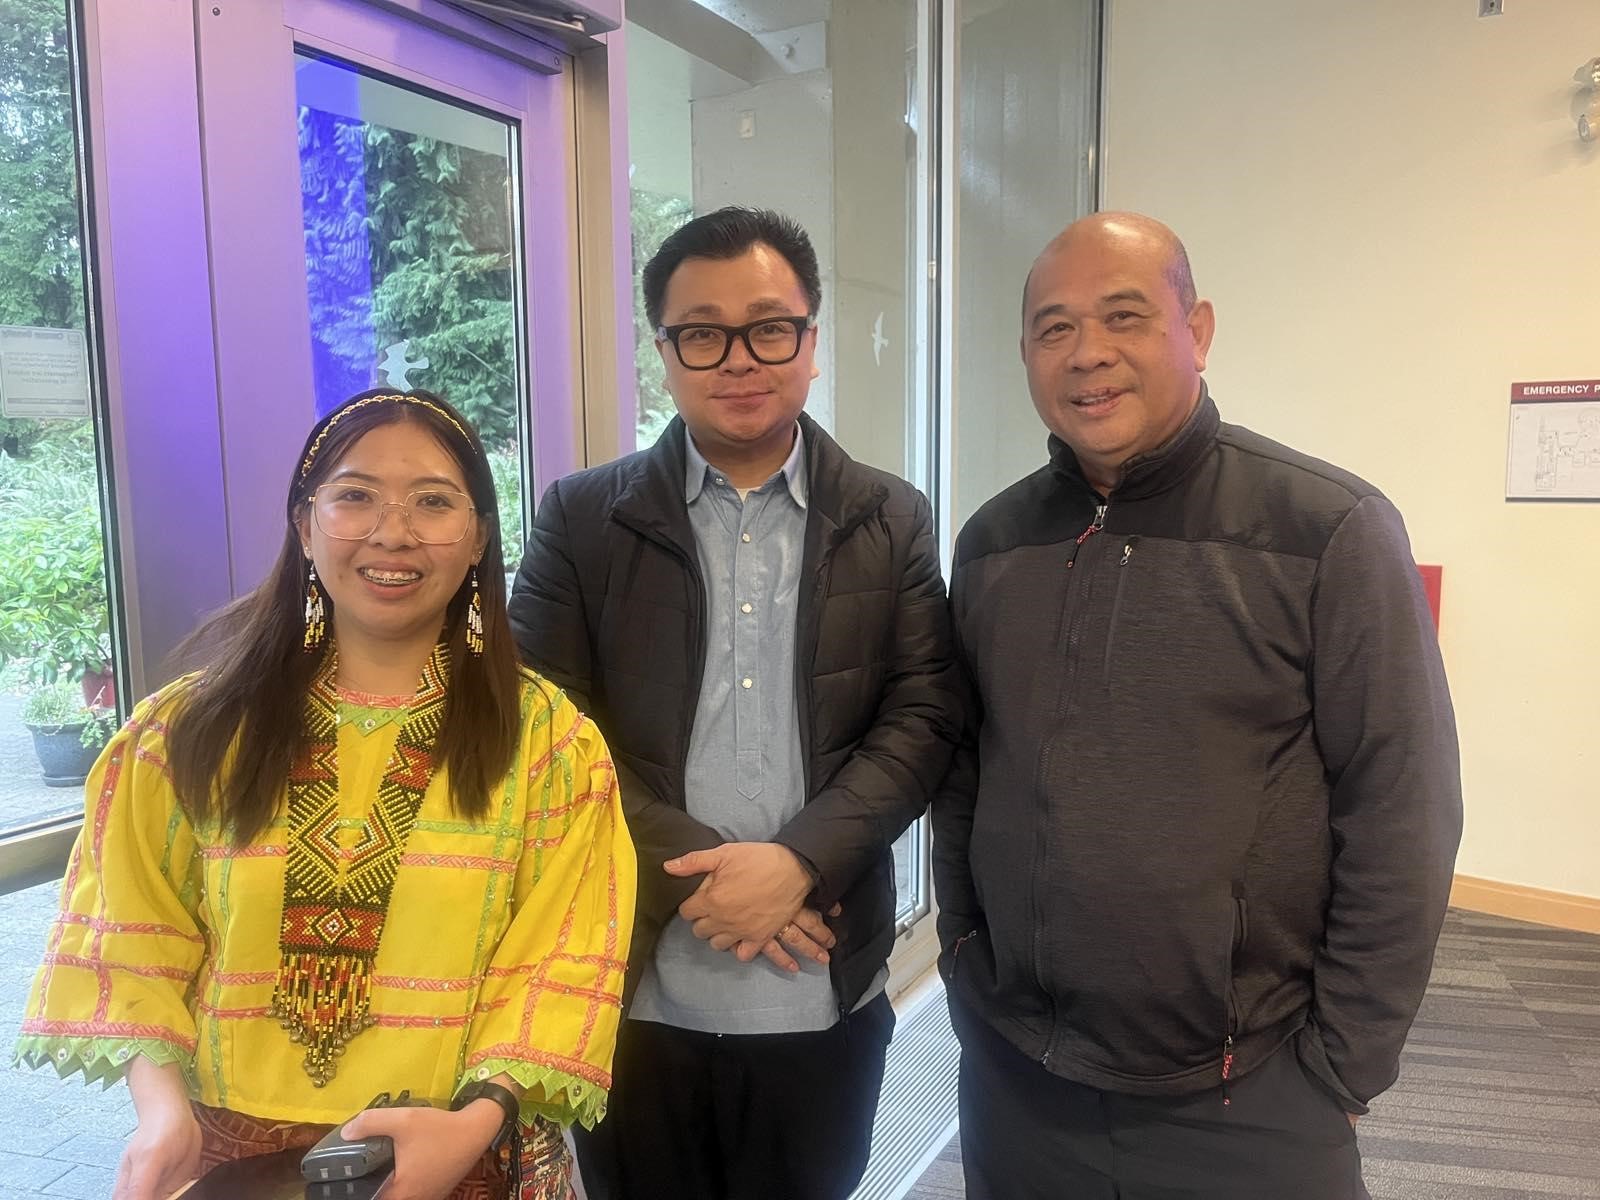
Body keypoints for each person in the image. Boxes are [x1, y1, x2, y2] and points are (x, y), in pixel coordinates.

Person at [932, 212, 1463, 1198]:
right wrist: (965, 960)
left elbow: (1403, 808)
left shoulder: (1327, 530)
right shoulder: (994, 542)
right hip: (1019, 1077)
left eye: (1123, 316)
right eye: (1053, 327)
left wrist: (1343, 1065)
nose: (1087, 352)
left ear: (1198, 330)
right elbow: (965, 775)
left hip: (1248, 1092)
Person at [17, 390, 635, 1200]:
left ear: (479, 536)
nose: (393, 532)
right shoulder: (188, 731)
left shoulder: (549, 743)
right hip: (235, 1166)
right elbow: (134, 932)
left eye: (433, 502)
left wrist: (474, 1120)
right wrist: (161, 1111)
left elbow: (564, 955)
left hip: (470, 1157)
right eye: (355, 496)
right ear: (305, 526)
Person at [509, 206, 963, 1199]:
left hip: (823, 977)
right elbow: (540, 730)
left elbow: (925, 715)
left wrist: (800, 861)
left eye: (769, 328)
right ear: (664, 353)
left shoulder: (891, 517)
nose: (740, 359)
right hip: (630, 984)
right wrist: (699, 876)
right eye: (702, 334)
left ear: (811, 339)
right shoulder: (581, 519)